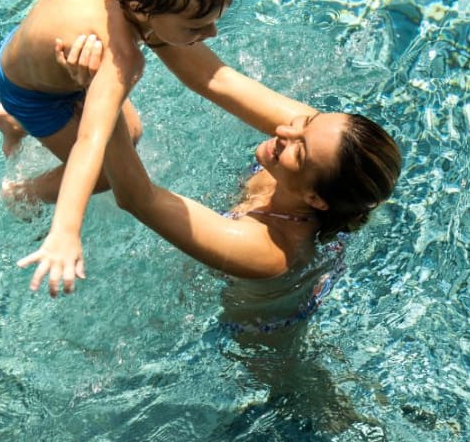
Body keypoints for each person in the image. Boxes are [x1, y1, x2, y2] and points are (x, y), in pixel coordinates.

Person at [0, 0, 318, 297]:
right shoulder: (118, 58)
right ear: (141, 9)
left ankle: (11, 124)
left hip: (25, 51)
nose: (210, 35)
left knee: (132, 130)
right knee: (109, 173)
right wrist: (66, 230)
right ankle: (20, 192)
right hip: (33, 91)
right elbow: (92, 140)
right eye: (196, 27)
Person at [51, 34, 403, 328]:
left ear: (316, 199)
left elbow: (138, 198)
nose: (285, 129)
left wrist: (101, 95)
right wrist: (149, 19)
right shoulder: (315, 147)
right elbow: (214, 77)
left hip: (261, 339)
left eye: (300, 149)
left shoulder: (270, 252)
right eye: (309, 120)